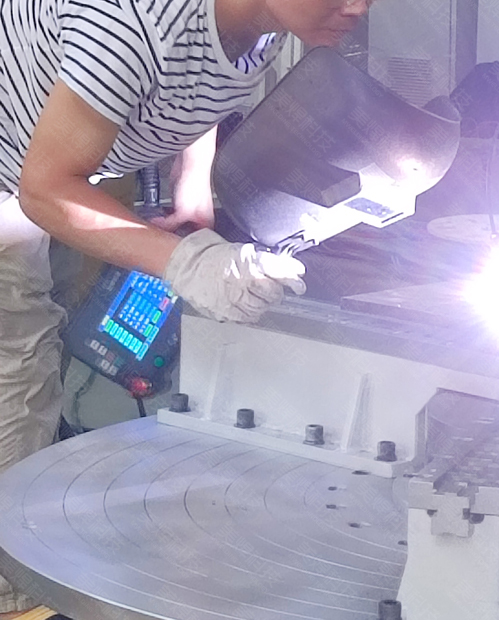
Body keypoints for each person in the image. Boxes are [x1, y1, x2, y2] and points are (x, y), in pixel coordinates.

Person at [0, 0, 370, 617]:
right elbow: (45, 188)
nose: (357, 5)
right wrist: (189, 264)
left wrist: (191, 173)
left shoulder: (266, 23)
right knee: (18, 361)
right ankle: (15, 595)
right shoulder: (130, 24)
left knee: (53, 322)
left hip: (47, 158)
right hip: (26, 173)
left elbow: (197, 72)